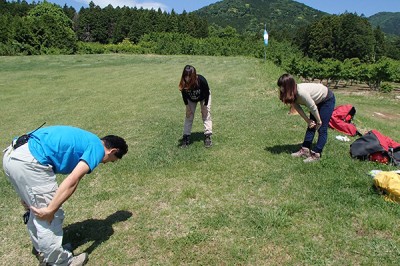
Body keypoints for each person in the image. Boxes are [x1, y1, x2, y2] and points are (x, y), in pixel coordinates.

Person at [2, 125, 128, 265]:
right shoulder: (97, 148)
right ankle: (60, 262)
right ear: (113, 151)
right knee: (49, 216)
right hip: (30, 162)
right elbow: (73, 180)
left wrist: (26, 193)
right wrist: (51, 209)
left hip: (12, 155)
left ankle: (44, 251)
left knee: (36, 211)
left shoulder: (87, 138)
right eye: (112, 160)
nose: (106, 163)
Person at [277, 74, 335, 163]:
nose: (281, 89)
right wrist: (308, 120)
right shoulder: (291, 93)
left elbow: (313, 107)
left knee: (322, 128)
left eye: (282, 86)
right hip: (315, 101)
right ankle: (305, 150)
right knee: (311, 125)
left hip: (326, 99)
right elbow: (297, 108)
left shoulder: (301, 93)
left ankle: (316, 154)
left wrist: (319, 121)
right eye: (280, 86)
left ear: (288, 86)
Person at [178, 65, 213, 148]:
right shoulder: (184, 82)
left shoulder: (201, 80)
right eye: (185, 75)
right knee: (189, 115)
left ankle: (207, 135)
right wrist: (187, 107)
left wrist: (204, 106)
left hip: (204, 97)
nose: (187, 78)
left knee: (205, 114)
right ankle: (186, 137)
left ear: (193, 76)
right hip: (191, 99)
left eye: (189, 76)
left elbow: (207, 93)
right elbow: (184, 95)